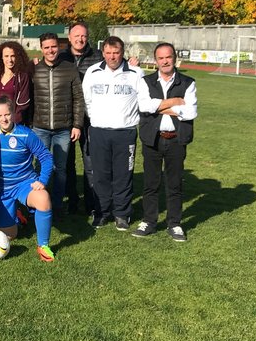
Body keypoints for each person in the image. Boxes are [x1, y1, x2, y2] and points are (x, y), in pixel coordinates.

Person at [134, 42, 197, 242]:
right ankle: (149, 221)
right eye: (161, 58)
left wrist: (158, 107)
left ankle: (175, 223)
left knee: (174, 183)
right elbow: (144, 106)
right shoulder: (146, 81)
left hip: (176, 140)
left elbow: (190, 112)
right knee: (151, 183)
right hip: (153, 138)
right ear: (155, 61)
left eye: (168, 57)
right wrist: (175, 103)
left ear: (174, 58)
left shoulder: (188, 82)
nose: (165, 61)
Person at [82, 36, 143, 231]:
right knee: (100, 175)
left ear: (122, 53)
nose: (112, 57)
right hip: (99, 131)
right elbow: (87, 100)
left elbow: (143, 101)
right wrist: (97, 120)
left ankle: (122, 214)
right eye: (108, 53)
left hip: (125, 133)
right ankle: (101, 213)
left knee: (123, 175)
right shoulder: (93, 72)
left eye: (116, 53)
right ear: (103, 53)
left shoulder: (136, 73)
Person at [0, 96, 56, 262]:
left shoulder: (26, 134)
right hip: (2, 189)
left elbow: (45, 157)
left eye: (7, 114)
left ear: (13, 113)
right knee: (9, 236)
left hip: (24, 184)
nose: (4, 118)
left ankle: (43, 246)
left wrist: (42, 180)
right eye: (0, 116)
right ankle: (17, 216)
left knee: (43, 198)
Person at [31, 32, 85, 217]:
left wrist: (77, 124)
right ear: (41, 49)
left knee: (61, 169)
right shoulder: (36, 70)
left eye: (53, 46)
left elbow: (78, 98)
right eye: (46, 47)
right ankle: (39, 204)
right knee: (39, 167)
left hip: (63, 129)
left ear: (59, 47)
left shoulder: (70, 68)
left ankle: (57, 205)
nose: (50, 50)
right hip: (40, 127)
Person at [59, 23, 102, 215]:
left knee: (90, 162)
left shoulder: (98, 57)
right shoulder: (61, 57)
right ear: (69, 38)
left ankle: (91, 204)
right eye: (76, 36)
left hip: (90, 117)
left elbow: (118, 65)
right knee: (67, 163)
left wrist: (130, 63)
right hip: (66, 117)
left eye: (83, 36)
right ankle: (72, 202)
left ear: (88, 37)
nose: (80, 39)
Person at [0, 40, 33, 127]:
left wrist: (13, 123)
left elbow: (23, 104)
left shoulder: (22, 77)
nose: (9, 60)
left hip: (11, 125)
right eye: (6, 56)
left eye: (13, 56)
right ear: (1, 57)